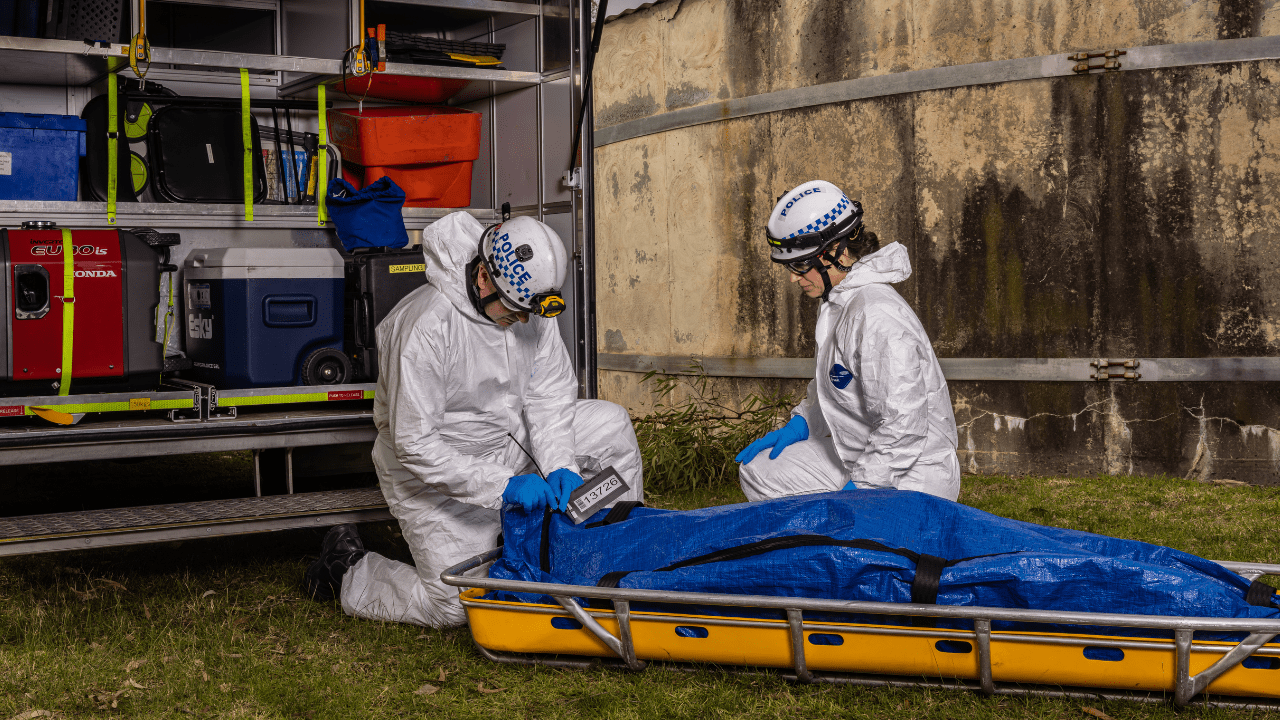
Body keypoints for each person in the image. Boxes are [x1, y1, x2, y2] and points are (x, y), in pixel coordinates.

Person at [304, 212, 644, 627]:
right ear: (483, 277)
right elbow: (416, 445)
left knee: (611, 424)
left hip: (506, 440)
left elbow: (549, 391)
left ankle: (614, 557)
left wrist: (559, 463)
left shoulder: (525, 302)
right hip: (434, 473)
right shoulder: (426, 327)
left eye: (528, 313)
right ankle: (345, 569)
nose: (523, 321)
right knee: (456, 606)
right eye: (515, 311)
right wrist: (502, 486)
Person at [736, 180, 960, 502]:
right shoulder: (838, 303)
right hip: (856, 454)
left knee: (854, 536)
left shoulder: (878, 315)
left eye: (800, 264)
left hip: (912, 476)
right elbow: (834, 387)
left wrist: (860, 490)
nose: (793, 277)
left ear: (837, 251)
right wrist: (803, 422)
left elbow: (904, 426)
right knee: (759, 471)